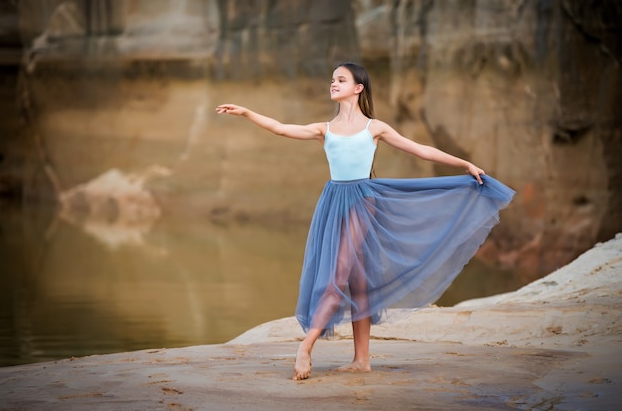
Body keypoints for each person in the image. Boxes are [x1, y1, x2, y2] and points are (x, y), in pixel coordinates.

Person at [216, 62, 515, 381]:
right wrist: (246, 112)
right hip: (332, 202)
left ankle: (305, 346)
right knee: (357, 281)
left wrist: (465, 164)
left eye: (341, 80)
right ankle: (362, 360)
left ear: (358, 88)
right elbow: (279, 127)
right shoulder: (323, 129)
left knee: (337, 277)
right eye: (332, 79)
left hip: (362, 202)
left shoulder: (375, 128)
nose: (333, 84)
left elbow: (420, 150)